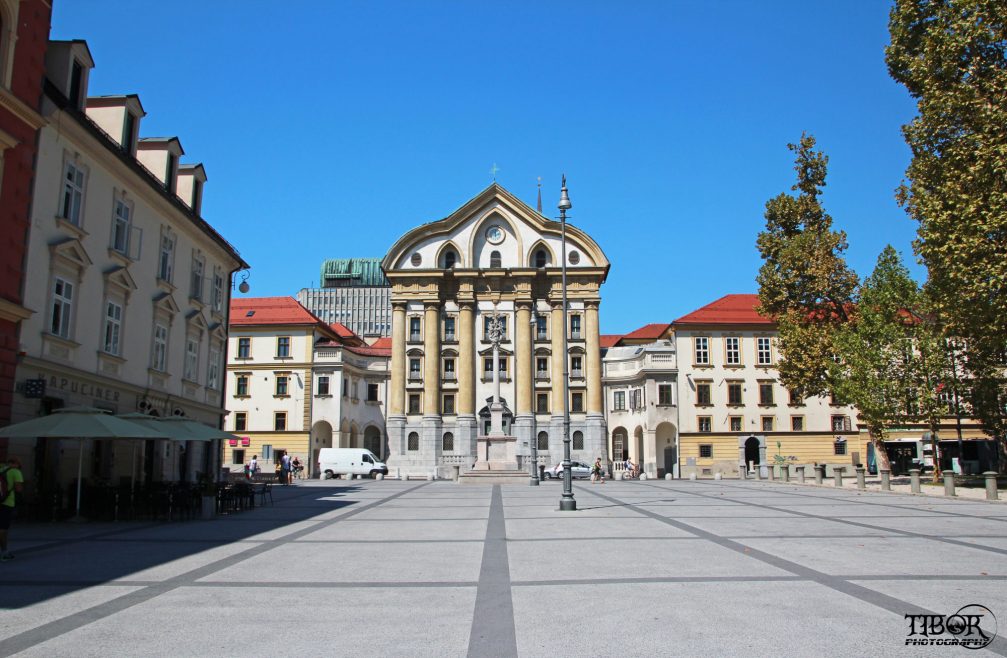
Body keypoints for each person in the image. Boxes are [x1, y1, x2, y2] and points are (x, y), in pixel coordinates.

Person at [1, 456, 25, 562]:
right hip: (6, 502)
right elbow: (19, 489)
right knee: (3, 528)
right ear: (16, 464)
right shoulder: (15, 472)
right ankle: (4, 552)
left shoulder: (1, 469)